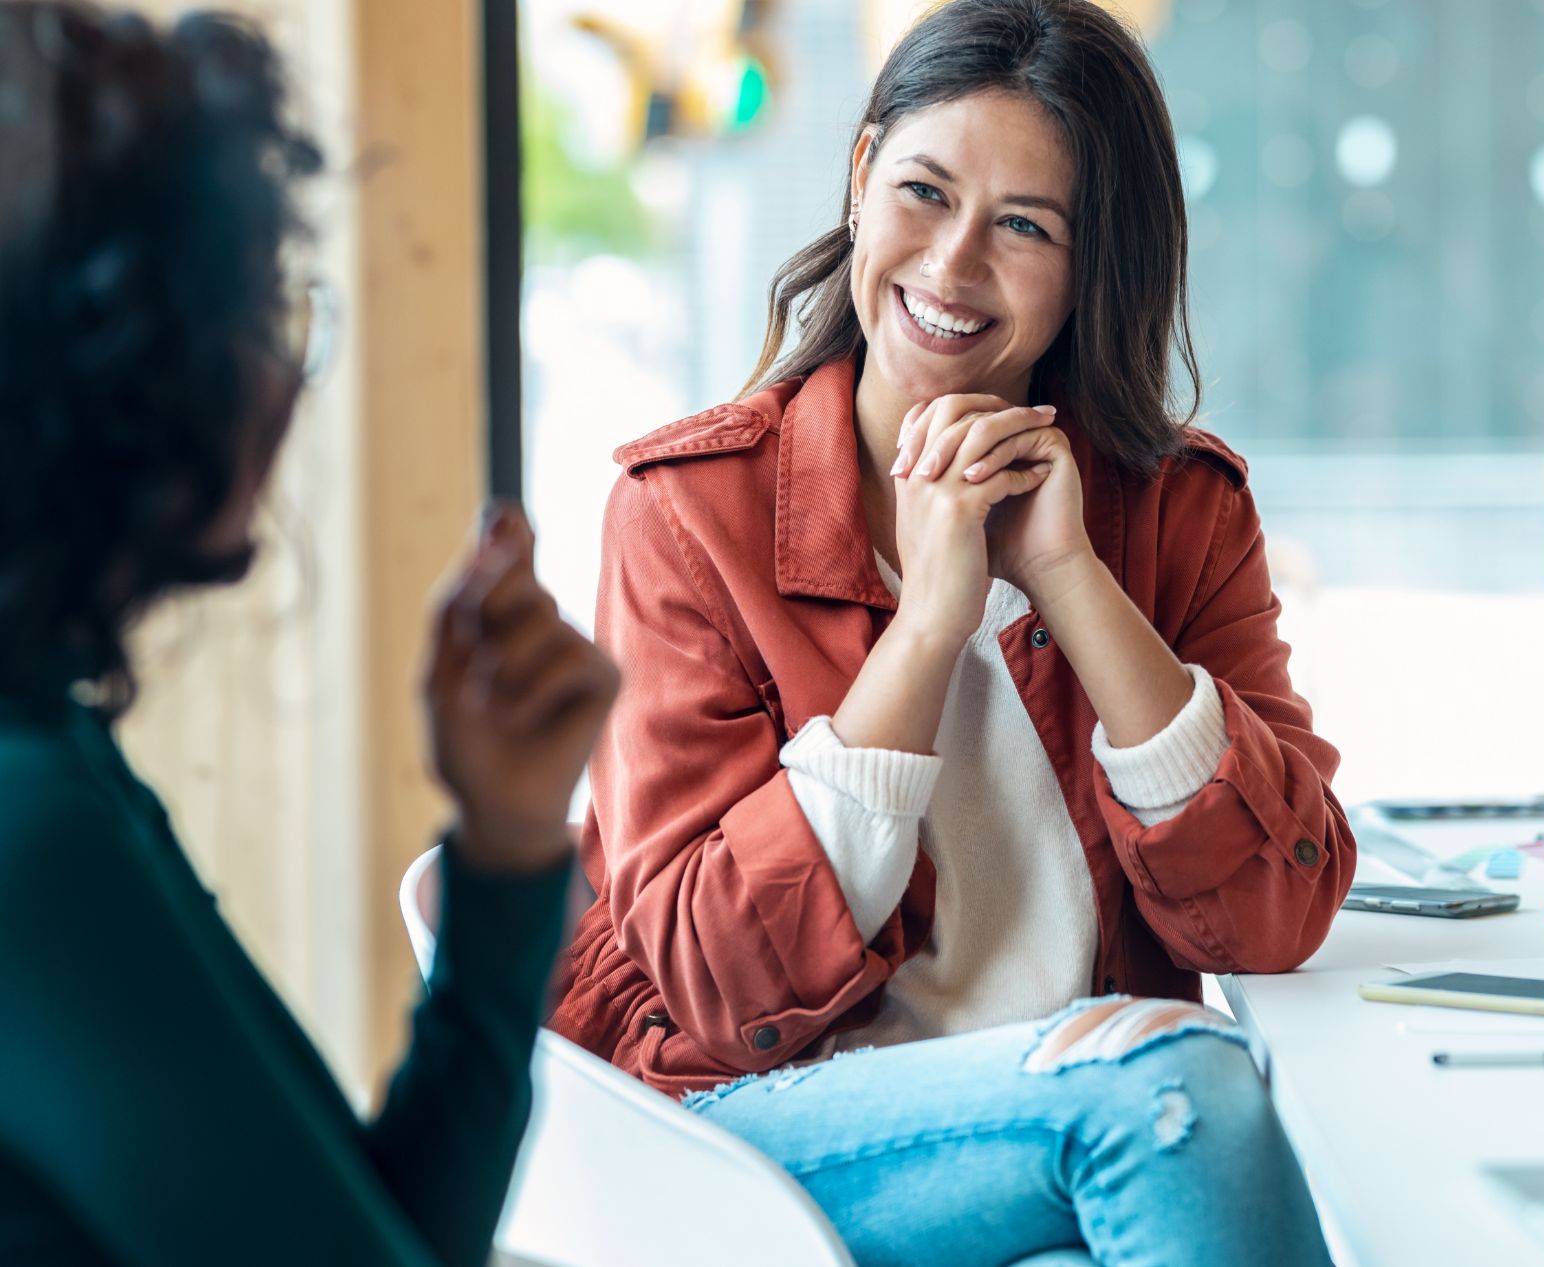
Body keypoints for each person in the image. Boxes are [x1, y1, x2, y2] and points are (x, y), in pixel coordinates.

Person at [549, 0, 1352, 1261]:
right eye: (923, 192)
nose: (952, 264)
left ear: (1095, 265)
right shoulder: (689, 512)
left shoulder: (1180, 512)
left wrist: (1068, 577)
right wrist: (927, 627)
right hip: (754, 1127)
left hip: (1063, 1127)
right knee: (1176, 1093)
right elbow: (719, 979)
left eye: (1025, 226)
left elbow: (1272, 916)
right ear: (861, 175)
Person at [0, 5, 619, 1265]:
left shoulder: (54, 742)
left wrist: (507, 850)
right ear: (132, 375)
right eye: (270, 315)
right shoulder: (33, 827)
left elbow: (381, 1229)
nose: (291, 378)